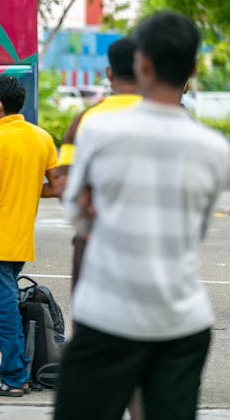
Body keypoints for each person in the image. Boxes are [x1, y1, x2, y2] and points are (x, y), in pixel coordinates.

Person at [55, 12, 230, 420]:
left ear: (143, 64)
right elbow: (196, 228)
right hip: (184, 324)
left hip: (106, 317)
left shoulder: (99, 130)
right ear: (192, 69)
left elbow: (78, 217)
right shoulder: (213, 147)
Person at [0, 75, 58, 397]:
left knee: (5, 311)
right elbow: (57, 186)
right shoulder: (41, 138)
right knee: (8, 307)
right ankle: (14, 371)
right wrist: (27, 187)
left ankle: (12, 377)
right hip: (22, 239)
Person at [55, 36, 142, 290]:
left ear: (109, 73)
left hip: (96, 243)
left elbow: (64, 188)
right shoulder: (167, 118)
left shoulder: (84, 120)